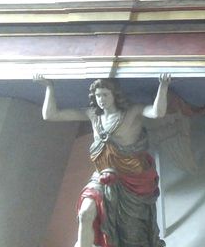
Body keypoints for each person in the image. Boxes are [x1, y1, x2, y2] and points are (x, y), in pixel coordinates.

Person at [34, 74, 172, 247]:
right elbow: (51, 115)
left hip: (132, 181)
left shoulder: (132, 112)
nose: (101, 99)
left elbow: (157, 112)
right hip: (101, 176)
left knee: (132, 236)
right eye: (98, 95)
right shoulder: (93, 115)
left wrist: (163, 85)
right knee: (85, 213)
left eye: (105, 94)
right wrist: (49, 87)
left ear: (115, 95)